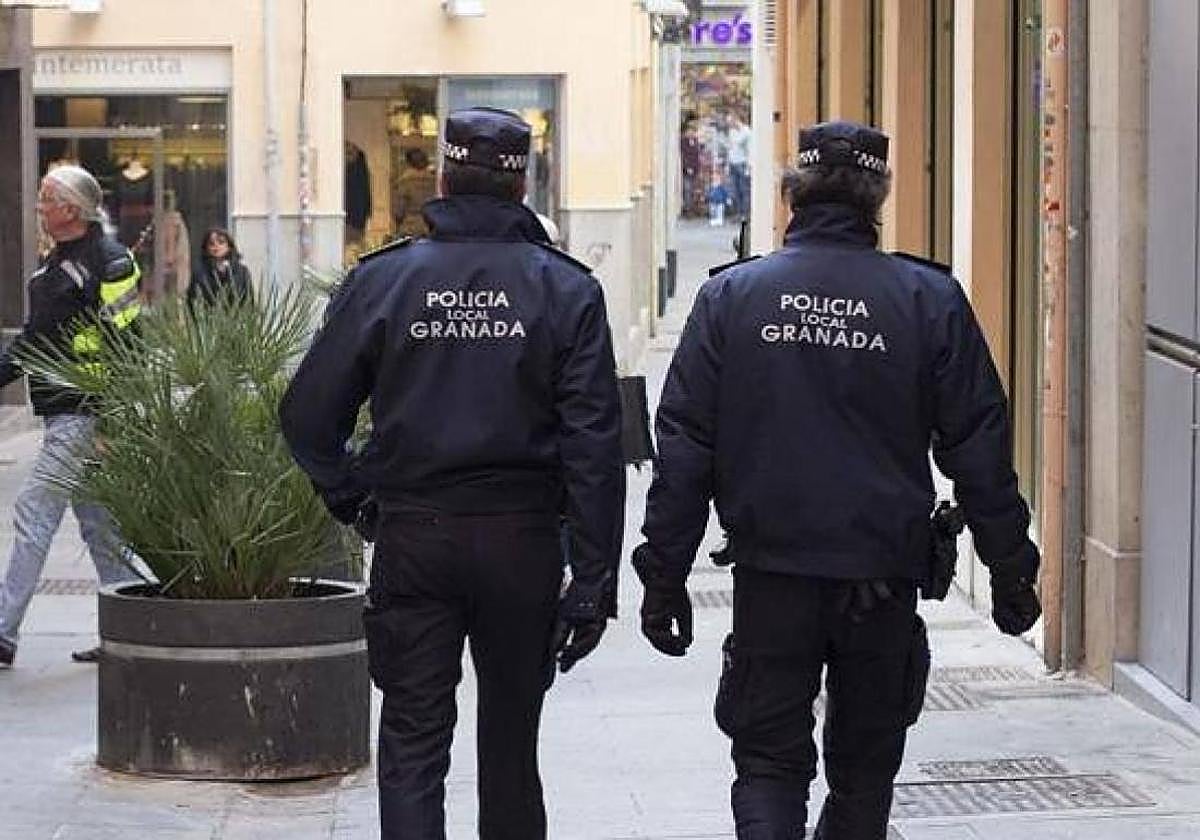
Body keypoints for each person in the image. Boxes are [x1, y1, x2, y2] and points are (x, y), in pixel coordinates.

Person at [632, 121, 1042, 839]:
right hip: (879, 578)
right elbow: (978, 444)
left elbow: (687, 446)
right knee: (864, 772)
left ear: (794, 191)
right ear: (877, 195)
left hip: (774, 572)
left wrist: (663, 573)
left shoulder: (734, 297)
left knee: (767, 764)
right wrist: (1012, 569)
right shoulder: (926, 299)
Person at [279, 107, 625, 840]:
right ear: (522, 181)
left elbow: (308, 415)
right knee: (510, 747)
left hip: (415, 538)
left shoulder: (385, 280)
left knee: (411, 739)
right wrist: (593, 580)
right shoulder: (565, 289)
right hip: (522, 544)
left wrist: (354, 500)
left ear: (441, 173)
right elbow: (594, 446)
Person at [0, 165, 143, 668]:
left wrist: (113, 422)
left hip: (86, 416)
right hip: (69, 414)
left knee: (33, 513)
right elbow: (34, 343)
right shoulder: (57, 262)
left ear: (71, 210)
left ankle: (2, 633)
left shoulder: (110, 263)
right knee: (101, 529)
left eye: (45, 199)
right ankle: (135, 631)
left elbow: (129, 346)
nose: (39, 207)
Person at [187, 227, 253, 308]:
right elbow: (192, 300)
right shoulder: (200, 273)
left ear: (229, 246)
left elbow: (249, 301)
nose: (216, 246)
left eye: (221, 242)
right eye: (211, 244)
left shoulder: (242, 272)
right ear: (206, 248)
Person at [726, 113, 752, 219]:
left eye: (730, 122)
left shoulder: (746, 132)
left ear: (736, 120)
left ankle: (745, 214)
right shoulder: (731, 132)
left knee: (744, 189)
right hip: (733, 163)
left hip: (742, 163)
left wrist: (749, 165)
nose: (729, 124)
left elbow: (750, 149)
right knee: (734, 190)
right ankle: (738, 213)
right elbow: (731, 148)